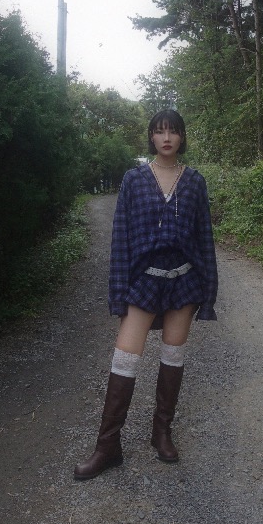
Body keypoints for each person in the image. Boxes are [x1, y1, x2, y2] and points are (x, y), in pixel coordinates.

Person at [74, 109, 218, 480]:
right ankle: (108, 446)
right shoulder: (134, 180)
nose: (166, 138)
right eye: (159, 131)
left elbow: (205, 238)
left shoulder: (195, 182)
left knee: (173, 354)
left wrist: (209, 292)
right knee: (125, 357)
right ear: (151, 137)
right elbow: (121, 238)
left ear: (182, 137)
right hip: (144, 281)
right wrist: (119, 293)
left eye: (173, 131)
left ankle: (162, 432)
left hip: (184, 281)